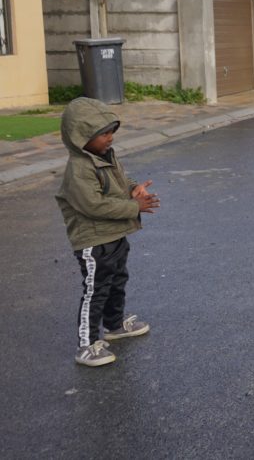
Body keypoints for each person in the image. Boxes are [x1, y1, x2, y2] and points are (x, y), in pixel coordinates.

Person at [55, 97, 160, 367]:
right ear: (81, 137)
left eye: (111, 131)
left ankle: (114, 326)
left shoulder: (105, 157)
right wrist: (133, 206)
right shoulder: (79, 169)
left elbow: (120, 183)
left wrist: (134, 189)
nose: (110, 138)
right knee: (96, 290)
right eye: (103, 133)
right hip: (93, 241)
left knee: (117, 281)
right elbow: (93, 206)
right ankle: (86, 345)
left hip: (114, 236)